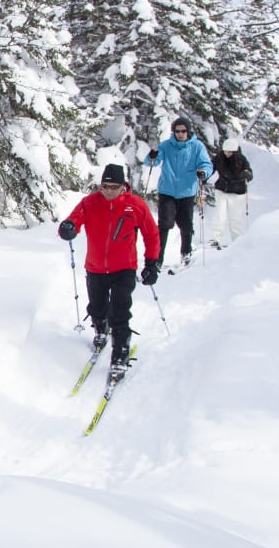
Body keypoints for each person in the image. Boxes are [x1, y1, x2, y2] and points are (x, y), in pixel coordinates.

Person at [57, 163, 161, 378]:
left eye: (114, 187)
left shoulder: (135, 205)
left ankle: (120, 357)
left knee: (120, 312)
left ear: (123, 186)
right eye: (105, 186)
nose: (109, 191)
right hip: (95, 267)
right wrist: (67, 227)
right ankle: (100, 328)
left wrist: (151, 264)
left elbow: (152, 235)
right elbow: (74, 220)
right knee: (97, 308)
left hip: (124, 268)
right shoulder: (90, 202)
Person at [144, 116, 213, 268]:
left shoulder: (197, 146)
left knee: (186, 224)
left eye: (183, 131)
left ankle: (186, 254)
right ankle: (157, 259)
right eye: (177, 131)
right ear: (173, 132)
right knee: (164, 224)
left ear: (188, 131)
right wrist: (152, 156)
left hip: (186, 191)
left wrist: (203, 172)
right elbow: (151, 162)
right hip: (167, 190)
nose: (180, 134)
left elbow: (206, 164)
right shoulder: (167, 145)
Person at [210, 136, 253, 248]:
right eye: (225, 151)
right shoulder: (219, 157)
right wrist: (204, 175)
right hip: (222, 189)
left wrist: (247, 174)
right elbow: (211, 168)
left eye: (230, 152)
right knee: (220, 215)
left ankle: (238, 242)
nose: (227, 153)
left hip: (237, 192)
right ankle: (215, 240)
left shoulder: (241, 159)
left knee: (235, 218)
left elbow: (249, 171)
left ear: (235, 151)